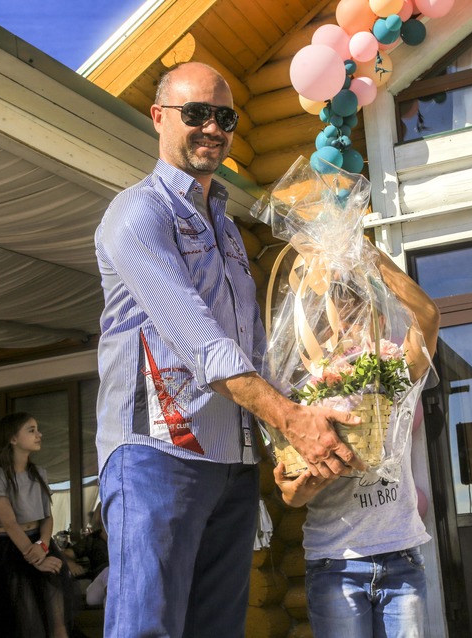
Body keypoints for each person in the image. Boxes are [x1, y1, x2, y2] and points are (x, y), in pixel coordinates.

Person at [94, 61, 365, 637]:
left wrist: (290, 446)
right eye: (196, 114)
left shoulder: (228, 228)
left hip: (233, 464)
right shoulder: (137, 212)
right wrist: (293, 420)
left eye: (225, 117)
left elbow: (257, 352)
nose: (212, 128)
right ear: (158, 117)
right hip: (156, 456)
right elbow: (200, 341)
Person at [272, 247, 440, 637]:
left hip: (400, 556)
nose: (344, 330)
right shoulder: (302, 397)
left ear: (379, 321)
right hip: (336, 562)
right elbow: (291, 496)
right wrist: (302, 488)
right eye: (333, 322)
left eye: (355, 318)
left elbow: (428, 317)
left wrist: (369, 256)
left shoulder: (397, 372)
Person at [0, 413, 76, 638]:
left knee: (58, 623)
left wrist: (44, 547)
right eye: (31, 430)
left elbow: (47, 516)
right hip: (11, 549)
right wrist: (35, 557)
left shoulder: (39, 474)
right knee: (29, 623)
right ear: (12, 439)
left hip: (40, 543)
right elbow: (9, 522)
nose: (39, 434)